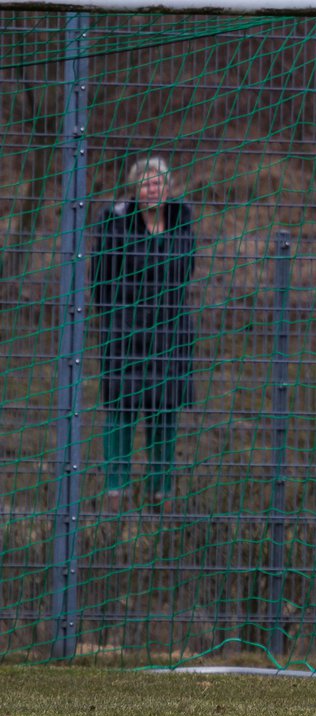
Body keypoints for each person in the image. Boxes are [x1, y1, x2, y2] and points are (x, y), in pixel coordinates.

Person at [90, 156, 197, 513]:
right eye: (145, 183)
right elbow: (100, 280)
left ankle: (160, 491)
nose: (152, 189)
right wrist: (118, 318)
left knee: (164, 412)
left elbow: (186, 274)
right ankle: (115, 489)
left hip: (169, 334)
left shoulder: (182, 223)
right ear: (135, 189)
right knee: (120, 410)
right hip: (125, 332)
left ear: (169, 188)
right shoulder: (116, 222)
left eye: (158, 183)